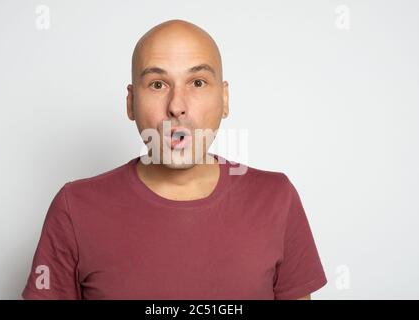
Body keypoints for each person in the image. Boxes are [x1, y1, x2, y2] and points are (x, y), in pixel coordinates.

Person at [22, 19, 327, 300]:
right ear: (131, 103)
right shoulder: (74, 207)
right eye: (157, 84)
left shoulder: (276, 198)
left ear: (224, 100)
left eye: (197, 82)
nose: (177, 106)